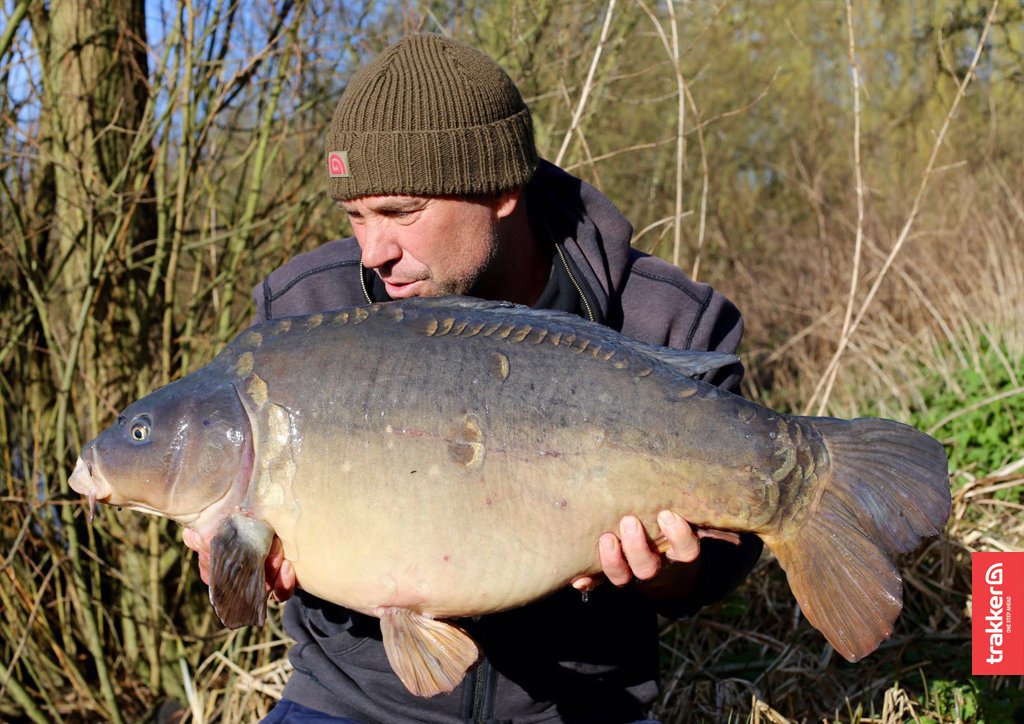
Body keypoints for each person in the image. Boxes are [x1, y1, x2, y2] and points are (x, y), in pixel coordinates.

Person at [185, 33, 762, 724]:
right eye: (356, 216)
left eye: (402, 213)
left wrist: (673, 570)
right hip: (352, 704)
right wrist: (233, 556)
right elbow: (238, 562)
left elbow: (731, 550)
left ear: (501, 191)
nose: (375, 252)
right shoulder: (303, 315)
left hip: (582, 705)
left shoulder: (658, 318)